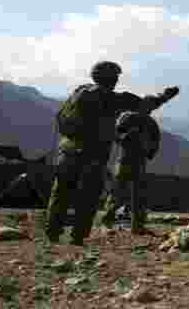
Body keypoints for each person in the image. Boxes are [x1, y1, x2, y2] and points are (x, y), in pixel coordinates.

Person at [44, 61, 178, 245]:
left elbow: (61, 117)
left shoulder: (79, 91)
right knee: (88, 195)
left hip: (67, 151)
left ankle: (52, 233)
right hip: (92, 154)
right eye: (115, 77)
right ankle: (77, 236)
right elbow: (145, 105)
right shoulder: (112, 98)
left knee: (61, 193)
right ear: (110, 78)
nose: (116, 80)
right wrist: (164, 96)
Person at [99, 109, 161, 234]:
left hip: (140, 162)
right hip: (124, 160)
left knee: (139, 195)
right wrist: (125, 137)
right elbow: (115, 133)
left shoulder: (150, 123)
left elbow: (155, 140)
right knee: (116, 193)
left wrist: (149, 151)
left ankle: (137, 226)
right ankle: (106, 222)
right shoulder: (127, 118)